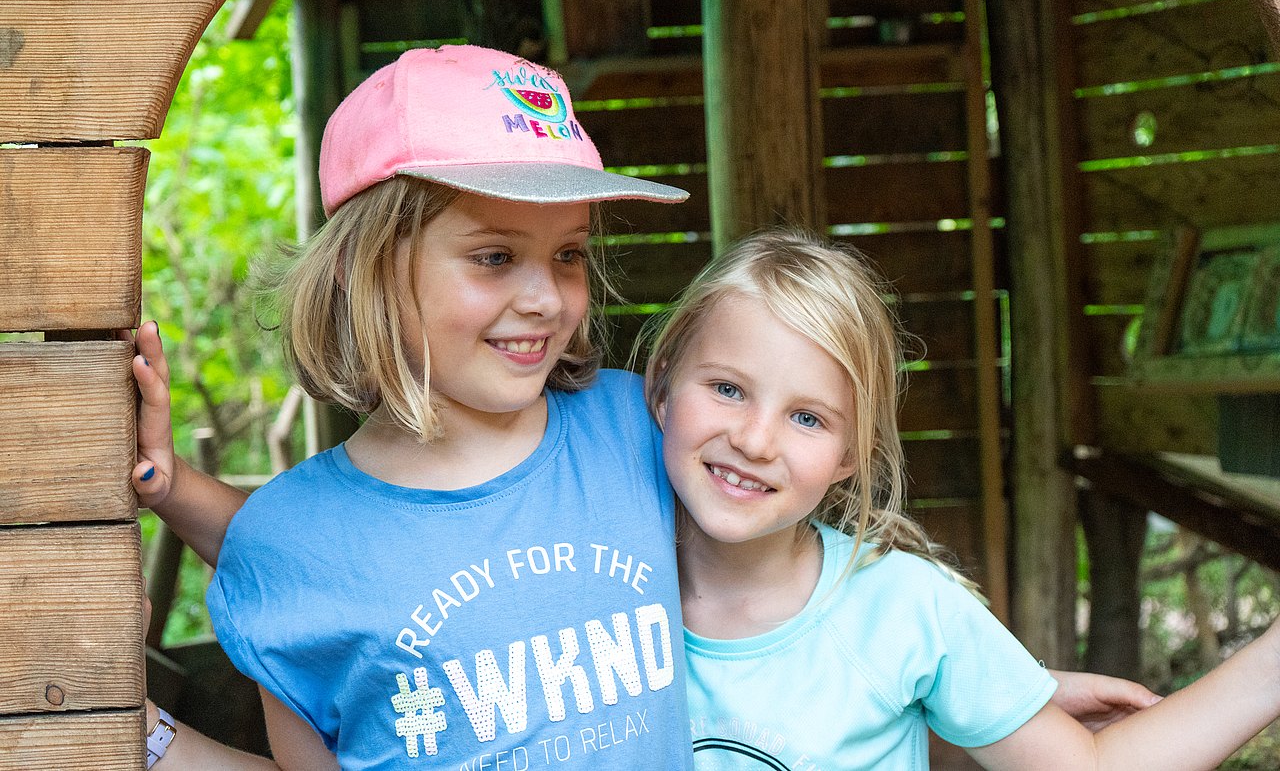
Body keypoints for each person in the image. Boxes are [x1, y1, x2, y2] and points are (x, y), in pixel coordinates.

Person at [131, 43, 697, 770]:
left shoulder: (640, 428)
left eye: (568, 254)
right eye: (495, 256)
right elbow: (342, 552)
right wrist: (132, 725)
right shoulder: (289, 543)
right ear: (362, 267)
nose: (546, 299)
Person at [640, 229, 1280, 769]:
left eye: (807, 418)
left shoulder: (902, 610)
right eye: (727, 389)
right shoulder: (596, 583)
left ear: (851, 455)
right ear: (662, 385)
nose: (754, 440)